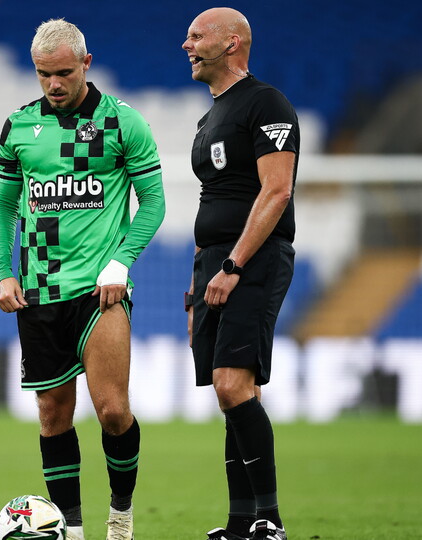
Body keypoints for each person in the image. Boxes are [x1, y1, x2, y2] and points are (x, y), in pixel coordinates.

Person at [0, 18, 165, 540]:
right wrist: (4, 274)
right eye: (43, 74)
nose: (54, 85)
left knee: (112, 411)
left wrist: (122, 261)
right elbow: (2, 209)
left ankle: (121, 516)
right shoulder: (18, 127)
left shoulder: (122, 122)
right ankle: (72, 532)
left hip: (99, 291)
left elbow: (153, 203)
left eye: (64, 72)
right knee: (52, 416)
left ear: (86, 64)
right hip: (39, 293)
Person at [182, 8, 299, 540]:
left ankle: (269, 520)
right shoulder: (210, 116)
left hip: (252, 260)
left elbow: (276, 191)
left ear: (232, 44)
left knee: (233, 386)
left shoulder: (266, 103)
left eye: (196, 36)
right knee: (231, 391)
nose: (186, 45)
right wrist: (196, 287)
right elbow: (213, 202)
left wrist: (233, 265)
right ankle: (239, 522)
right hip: (214, 264)